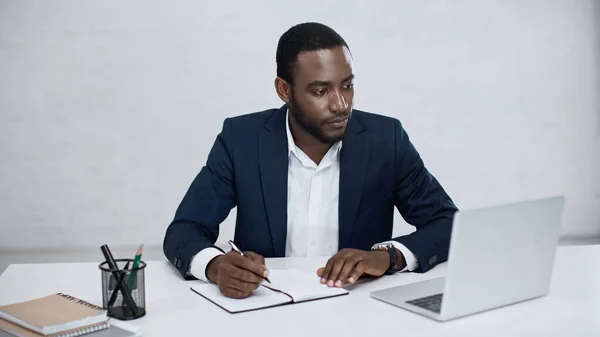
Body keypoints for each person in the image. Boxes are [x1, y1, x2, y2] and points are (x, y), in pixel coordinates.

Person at [163, 22, 458, 299]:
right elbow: (185, 229)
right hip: (265, 307)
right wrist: (215, 266)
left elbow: (448, 223)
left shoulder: (385, 139)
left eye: (347, 86)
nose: (341, 104)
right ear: (284, 90)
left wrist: (386, 257)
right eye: (321, 91)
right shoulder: (241, 140)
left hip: (357, 309)